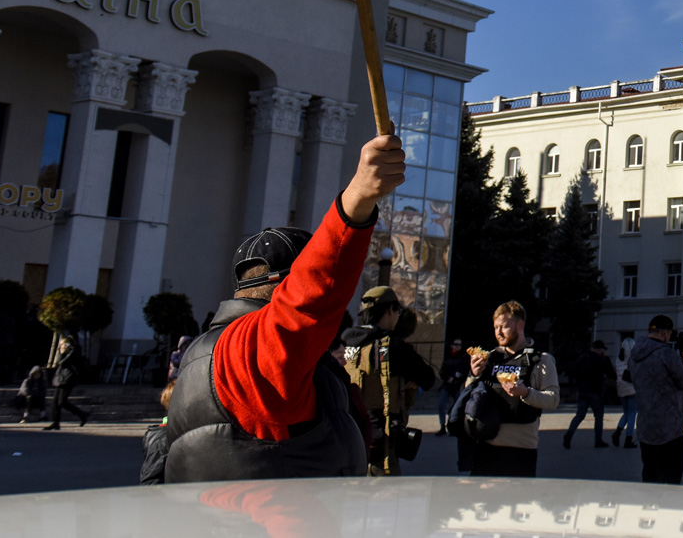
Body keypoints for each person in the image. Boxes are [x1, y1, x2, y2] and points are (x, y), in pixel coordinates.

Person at [163, 134, 402, 481]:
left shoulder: (208, 348)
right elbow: (312, 297)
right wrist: (358, 199)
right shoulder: (251, 350)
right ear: (285, 285)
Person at [342, 286, 436, 475]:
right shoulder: (393, 346)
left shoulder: (345, 341)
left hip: (349, 432)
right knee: (382, 495)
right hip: (382, 437)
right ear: (390, 310)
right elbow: (428, 379)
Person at [467, 300, 559, 476]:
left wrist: (525, 392)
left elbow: (553, 399)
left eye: (504, 326)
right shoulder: (490, 359)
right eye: (495, 327)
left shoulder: (542, 360)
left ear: (520, 325)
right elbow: (469, 398)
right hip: (486, 447)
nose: (499, 332)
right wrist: (474, 375)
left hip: (521, 451)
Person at [627, 313, 683, 484]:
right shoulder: (666, 354)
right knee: (671, 478)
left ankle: (648, 508)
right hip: (669, 429)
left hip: (645, 427)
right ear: (665, 333)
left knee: (650, 475)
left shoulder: (635, 354)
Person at [562, 340, 615, 449]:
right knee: (598, 416)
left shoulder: (582, 358)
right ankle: (598, 440)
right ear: (600, 349)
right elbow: (611, 373)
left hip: (582, 391)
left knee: (579, 415)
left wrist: (579, 385)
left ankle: (569, 434)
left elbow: (575, 372)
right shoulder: (601, 360)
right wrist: (607, 359)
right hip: (595, 391)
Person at [46, 334, 90, 430]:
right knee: (55, 402)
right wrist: (61, 352)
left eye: (63, 344)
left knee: (62, 401)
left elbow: (63, 363)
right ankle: (55, 422)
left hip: (68, 377)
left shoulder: (73, 351)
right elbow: (59, 363)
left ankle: (82, 414)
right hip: (60, 377)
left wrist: (62, 353)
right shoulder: (64, 352)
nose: (61, 346)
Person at [436, 338, 469, 434]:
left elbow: (464, 370)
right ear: (451, 345)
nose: (458, 346)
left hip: (457, 386)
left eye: (460, 345)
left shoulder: (463, 356)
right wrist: (447, 378)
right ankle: (442, 426)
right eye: (456, 344)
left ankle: (453, 426)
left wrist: (455, 378)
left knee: (456, 407)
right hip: (447, 385)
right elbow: (442, 371)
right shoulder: (447, 356)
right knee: (441, 403)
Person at [613, 338, 638, 447]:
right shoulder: (634, 360)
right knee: (632, 413)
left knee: (626, 413)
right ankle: (628, 438)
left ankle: (618, 432)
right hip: (632, 388)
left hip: (621, 387)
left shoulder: (619, 359)